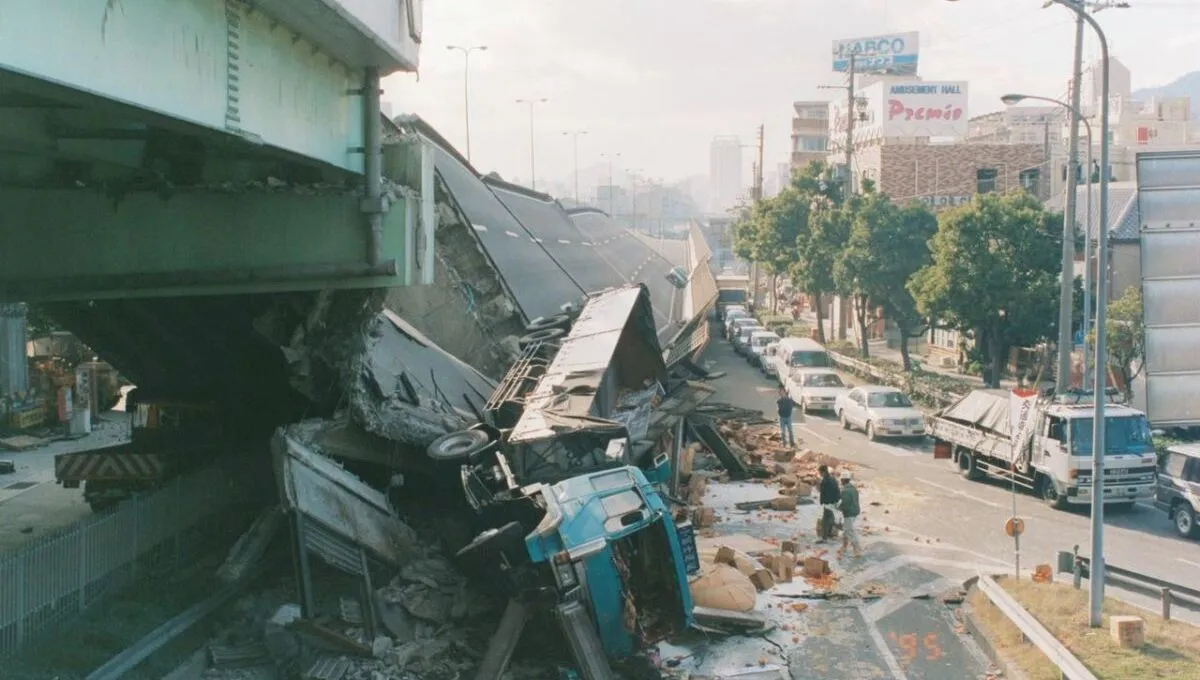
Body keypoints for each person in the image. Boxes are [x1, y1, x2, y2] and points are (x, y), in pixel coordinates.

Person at [838, 471, 862, 558]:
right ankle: (844, 546)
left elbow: (845, 504)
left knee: (850, 531)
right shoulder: (853, 488)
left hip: (849, 513)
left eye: (841, 480)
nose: (841, 481)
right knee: (846, 529)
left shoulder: (845, 491)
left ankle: (857, 550)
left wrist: (838, 507)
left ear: (843, 480)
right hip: (855, 511)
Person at [817, 464, 841, 542]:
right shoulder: (833, 479)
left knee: (825, 520)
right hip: (834, 501)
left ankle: (824, 538)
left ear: (823, 472)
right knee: (830, 517)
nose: (820, 474)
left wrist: (824, 502)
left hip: (828, 502)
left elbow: (823, 492)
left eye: (820, 473)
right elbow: (837, 490)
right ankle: (830, 533)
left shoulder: (825, 481)